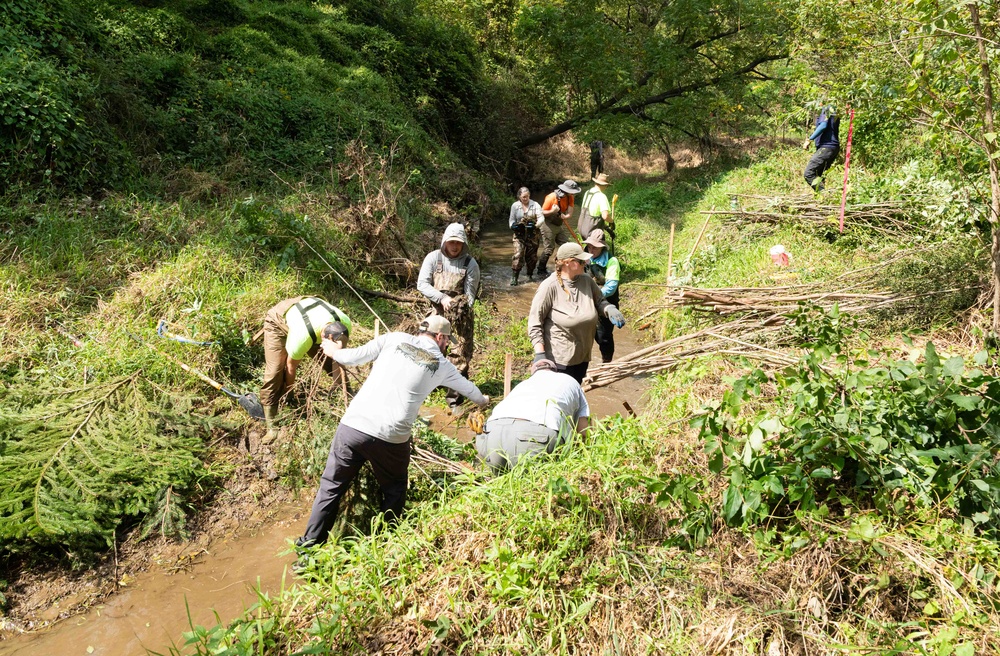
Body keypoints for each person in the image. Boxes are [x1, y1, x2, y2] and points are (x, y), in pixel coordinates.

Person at [298, 315, 489, 548]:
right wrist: (484, 401)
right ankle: (387, 545)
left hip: (353, 426)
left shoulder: (393, 338)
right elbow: (472, 392)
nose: (448, 344)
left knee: (331, 487)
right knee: (395, 489)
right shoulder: (442, 364)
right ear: (439, 337)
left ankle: (309, 546)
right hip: (391, 437)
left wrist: (333, 350)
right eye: (447, 339)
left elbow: (353, 357)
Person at [528, 242, 625, 384]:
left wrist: (609, 309)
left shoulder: (586, 280)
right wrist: (540, 354)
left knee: (575, 394)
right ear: (568, 263)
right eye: (581, 261)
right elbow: (535, 323)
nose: (586, 263)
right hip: (559, 360)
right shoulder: (549, 286)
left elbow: (599, 301)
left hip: (582, 356)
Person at [260, 296, 352, 440]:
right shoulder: (302, 337)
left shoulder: (345, 323)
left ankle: (349, 398)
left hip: (307, 309)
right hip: (278, 322)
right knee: (275, 371)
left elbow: (338, 357)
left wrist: (336, 384)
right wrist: (289, 392)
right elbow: (291, 366)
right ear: (324, 338)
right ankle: (271, 425)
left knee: (331, 359)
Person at [476, 357, 589, 472]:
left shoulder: (523, 384)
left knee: (498, 482)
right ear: (555, 371)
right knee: (534, 486)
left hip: (491, 433)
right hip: (535, 434)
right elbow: (583, 431)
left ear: (534, 373)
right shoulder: (571, 381)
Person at [416, 222, 480, 410]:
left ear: (463, 244)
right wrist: (442, 298)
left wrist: (458, 308)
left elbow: (470, 296)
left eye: (458, 243)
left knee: (458, 355)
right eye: (451, 242)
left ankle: (455, 399)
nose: (454, 246)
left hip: (461, 315)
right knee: (427, 350)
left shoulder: (471, 264)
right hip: (436, 311)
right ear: (445, 241)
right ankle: (426, 388)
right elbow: (422, 284)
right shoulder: (433, 258)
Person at [583, 229, 621, 363]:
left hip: (606, 301)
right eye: (589, 246)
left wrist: (594, 295)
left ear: (602, 247)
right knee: (584, 332)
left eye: (595, 247)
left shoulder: (612, 261)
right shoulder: (585, 257)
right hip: (586, 301)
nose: (591, 250)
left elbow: (611, 287)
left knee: (603, 336)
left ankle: (607, 362)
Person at [538, 179, 581, 277]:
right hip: (547, 224)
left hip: (558, 224)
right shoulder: (551, 197)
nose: (573, 194)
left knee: (567, 244)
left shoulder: (570, 197)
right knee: (549, 249)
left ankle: (562, 267)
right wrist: (552, 211)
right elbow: (542, 212)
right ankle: (541, 270)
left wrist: (566, 216)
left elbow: (570, 211)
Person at [508, 187, 543, 286]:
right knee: (518, 254)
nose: (525, 198)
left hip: (533, 234)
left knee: (532, 257)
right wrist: (513, 226)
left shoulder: (535, 205)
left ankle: (529, 275)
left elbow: (541, 218)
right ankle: (514, 277)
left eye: (527, 196)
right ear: (519, 196)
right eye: (523, 197)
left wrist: (536, 225)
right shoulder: (515, 206)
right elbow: (511, 220)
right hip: (519, 234)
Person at [803, 105, 840, 192]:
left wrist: (809, 139)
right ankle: (822, 199)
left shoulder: (827, 109)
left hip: (826, 147)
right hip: (832, 148)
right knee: (819, 176)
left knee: (809, 173)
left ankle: (825, 195)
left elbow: (823, 126)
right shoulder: (834, 109)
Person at [577, 172, 612, 241]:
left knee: (588, 249)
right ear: (604, 185)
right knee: (599, 250)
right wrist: (611, 221)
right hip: (591, 232)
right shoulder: (601, 196)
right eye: (607, 185)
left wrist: (607, 228)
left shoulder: (587, 193)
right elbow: (605, 216)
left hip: (581, 228)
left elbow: (593, 214)